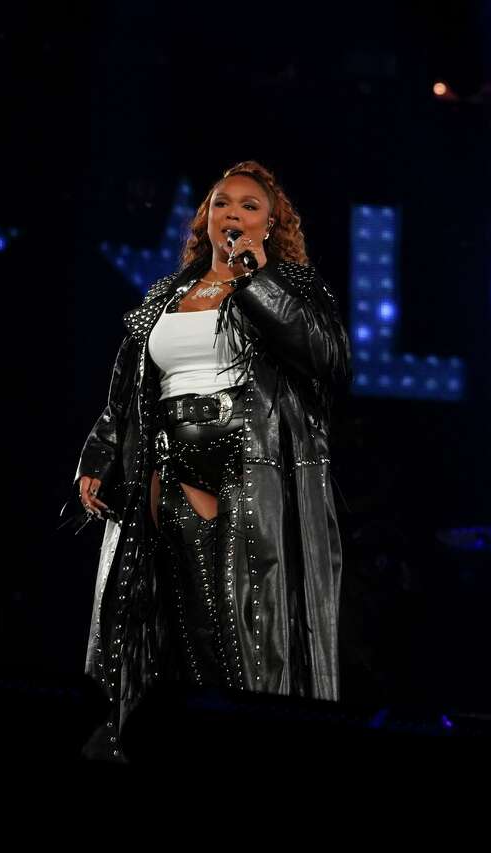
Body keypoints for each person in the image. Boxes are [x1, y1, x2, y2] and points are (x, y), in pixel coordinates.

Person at [69, 161, 351, 760]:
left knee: (230, 629)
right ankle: (128, 742)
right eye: (224, 203)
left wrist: (254, 279)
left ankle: (236, 745)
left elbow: (327, 359)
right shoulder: (168, 294)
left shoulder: (290, 286)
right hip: (155, 461)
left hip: (238, 466)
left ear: (271, 226)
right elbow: (129, 386)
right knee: (142, 620)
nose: (234, 215)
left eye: (251, 207)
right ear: (206, 216)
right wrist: (99, 450)